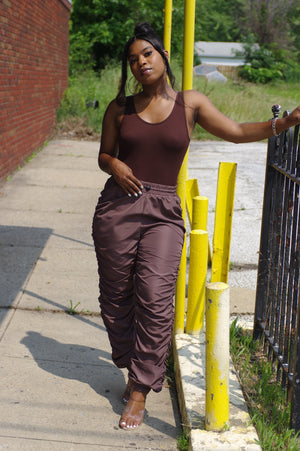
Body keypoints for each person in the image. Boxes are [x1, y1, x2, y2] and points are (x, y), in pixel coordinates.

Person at [92, 22, 300, 431]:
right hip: (119, 207)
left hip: (165, 211)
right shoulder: (119, 108)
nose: (140, 63)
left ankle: (140, 388)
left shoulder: (191, 104)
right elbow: (104, 154)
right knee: (117, 297)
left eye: (147, 54)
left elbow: (238, 132)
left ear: (163, 56)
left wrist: (286, 123)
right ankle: (131, 361)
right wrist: (114, 164)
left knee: (155, 294)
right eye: (133, 59)